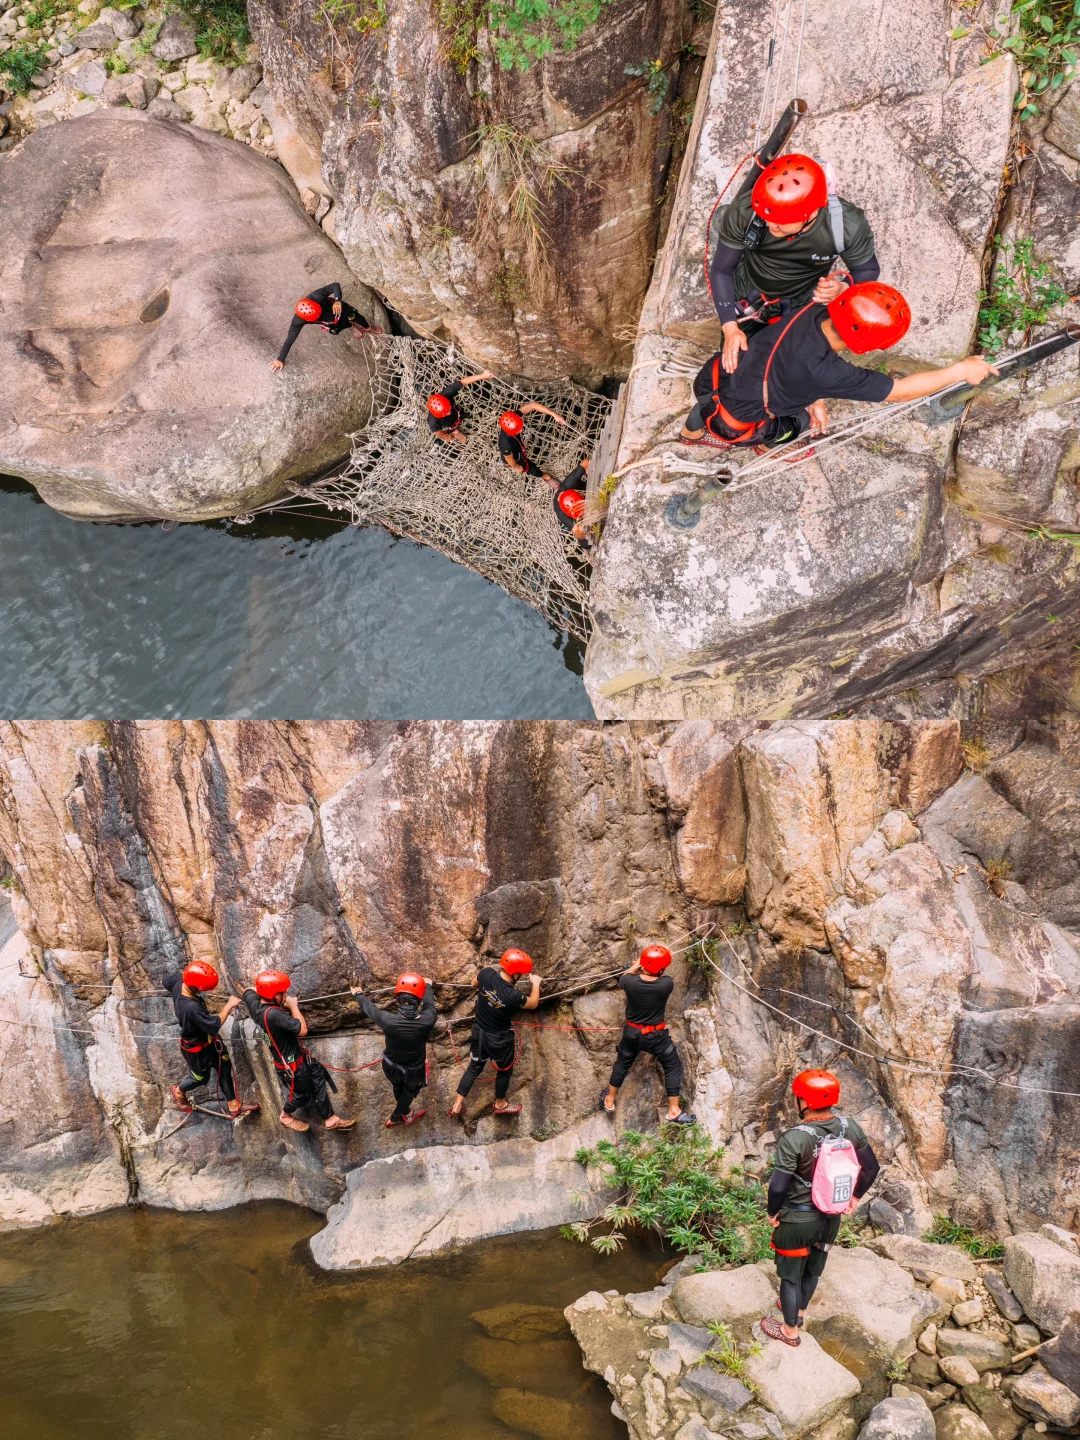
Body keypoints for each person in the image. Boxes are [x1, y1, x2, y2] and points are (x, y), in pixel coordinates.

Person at [679, 281, 999, 458]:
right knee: (801, 422)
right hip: (735, 423)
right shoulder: (829, 372)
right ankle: (764, 444)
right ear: (867, 345)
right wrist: (961, 371)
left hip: (712, 377)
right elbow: (901, 392)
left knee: (706, 405)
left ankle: (689, 433)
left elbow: (790, 358)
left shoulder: (811, 305)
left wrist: (816, 397)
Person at [709, 153, 881, 375]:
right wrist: (729, 326)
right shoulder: (747, 211)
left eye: (781, 220)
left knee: (789, 370)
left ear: (811, 213)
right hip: (747, 292)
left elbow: (867, 269)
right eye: (766, 214)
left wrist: (845, 288)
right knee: (733, 367)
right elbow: (723, 269)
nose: (770, 224)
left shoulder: (845, 227)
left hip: (802, 303)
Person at [759, 1069, 881, 1347]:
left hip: (797, 1220)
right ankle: (799, 1312)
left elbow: (778, 1187)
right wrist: (854, 1198)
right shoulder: (850, 1127)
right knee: (813, 1269)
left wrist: (772, 1213)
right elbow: (871, 1167)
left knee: (790, 1277)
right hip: (830, 1217)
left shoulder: (794, 1138)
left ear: (803, 1101)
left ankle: (790, 1331)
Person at [242, 969, 355, 1133]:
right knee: (302, 1096)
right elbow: (302, 1030)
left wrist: (264, 987)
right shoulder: (275, 1015)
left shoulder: (255, 1006)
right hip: (292, 1067)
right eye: (283, 992)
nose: (286, 994)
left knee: (317, 1073)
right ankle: (286, 1115)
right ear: (275, 996)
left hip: (296, 1059)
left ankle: (330, 1118)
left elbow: (247, 991)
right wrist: (293, 1006)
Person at [603, 946, 696, 1125]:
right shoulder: (666, 984)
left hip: (631, 1034)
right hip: (656, 1036)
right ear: (661, 969)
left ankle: (609, 1100)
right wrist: (645, 967)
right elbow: (657, 975)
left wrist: (636, 966)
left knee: (622, 1064)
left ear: (643, 964)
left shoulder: (629, 982)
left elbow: (624, 978)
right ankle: (674, 1111)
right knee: (672, 1065)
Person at [448, 948, 541, 1120]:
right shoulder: (513, 995)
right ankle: (500, 1104)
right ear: (516, 974)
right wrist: (535, 983)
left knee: (474, 1067)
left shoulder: (487, 974)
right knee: (505, 1071)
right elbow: (534, 1003)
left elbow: (472, 983)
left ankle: (457, 1104)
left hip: (479, 1033)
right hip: (499, 1040)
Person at [163, 960, 255, 1118]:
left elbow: (165, 981)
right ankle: (178, 1091)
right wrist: (229, 1005)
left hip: (210, 1042)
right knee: (199, 1078)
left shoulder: (179, 980)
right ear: (193, 987)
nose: (202, 993)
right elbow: (214, 1024)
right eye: (201, 990)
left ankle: (234, 1106)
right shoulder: (191, 1007)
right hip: (196, 1050)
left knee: (224, 1067)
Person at [350, 972, 437, 1127]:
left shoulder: (388, 1020)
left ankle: (408, 1113)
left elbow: (369, 1009)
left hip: (391, 1066)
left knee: (397, 1086)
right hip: (414, 1071)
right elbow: (430, 1004)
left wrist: (358, 994)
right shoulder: (428, 1019)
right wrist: (428, 985)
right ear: (418, 1000)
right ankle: (395, 1118)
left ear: (398, 998)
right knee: (409, 1092)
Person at [270, 283, 382, 371]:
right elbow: (290, 338)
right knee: (336, 329)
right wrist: (281, 358)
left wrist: (337, 300)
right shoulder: (298, 320)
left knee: (356, 316)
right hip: (329, 322)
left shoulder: (315, 296)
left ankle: (368, 328)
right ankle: (351, 326)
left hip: (340, 308)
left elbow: (335, 285)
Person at [497, 404, 568, 490]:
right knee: (527, 467)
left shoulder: (512, 418)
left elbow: (532, 405)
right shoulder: (505, 445)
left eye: (520, 427)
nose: (521, 430)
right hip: (514, 455)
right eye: (518, 429)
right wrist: (517, 467)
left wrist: (554, 415)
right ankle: (545, 476)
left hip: (515, 440)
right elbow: (510, 459)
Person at [427, 370, 496, 445]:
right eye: (447, 411)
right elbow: (438, 432)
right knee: (451, 425)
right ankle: (455, 430)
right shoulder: (433, 422)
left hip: (457, 411)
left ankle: (462, 416)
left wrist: (482, 376)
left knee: (458, 413)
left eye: (449, 407)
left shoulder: (445, 395)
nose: (449, 411)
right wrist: (446, 437)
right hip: (447, 423)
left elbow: (462, 382)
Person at [554, 457, 592, 548]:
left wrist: (589, 468)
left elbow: (585, 462)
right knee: (585, 544)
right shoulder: (562, 515)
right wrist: (582, 531)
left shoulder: (570, 483)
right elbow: (577, 533)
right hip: (579, 515)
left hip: (587, 490)